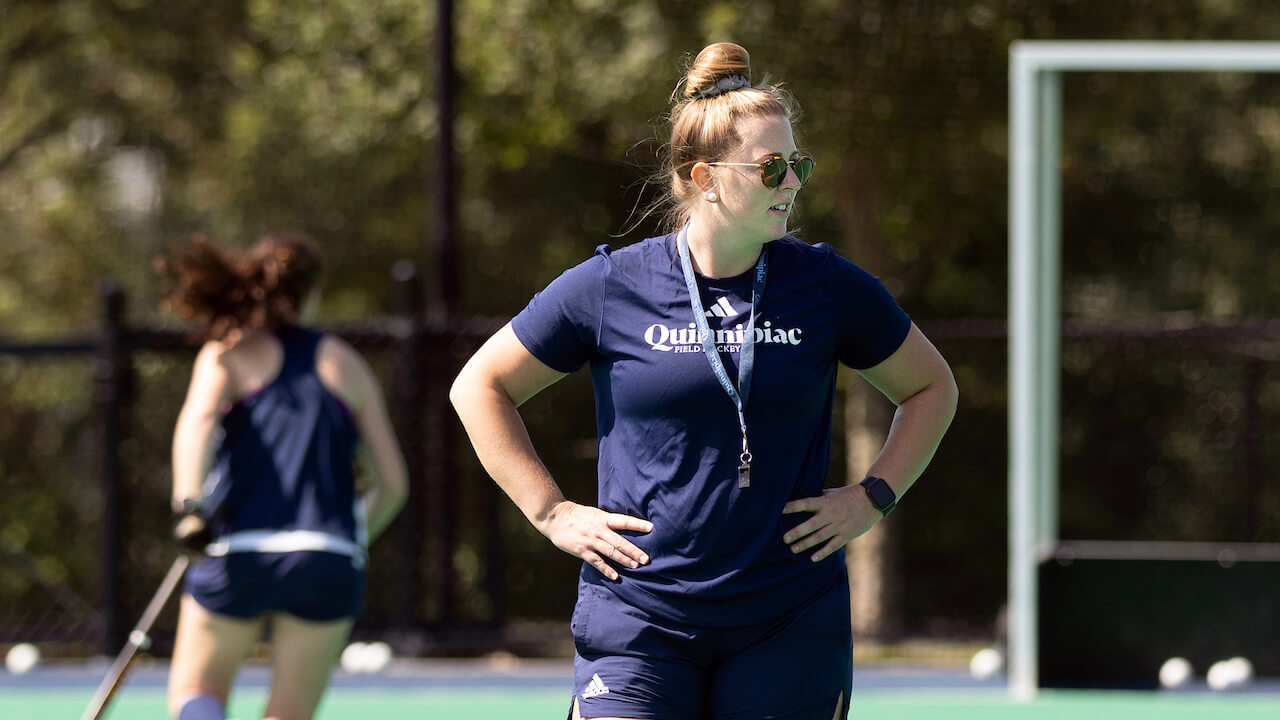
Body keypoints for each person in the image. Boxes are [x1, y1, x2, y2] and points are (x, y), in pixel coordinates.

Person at [450, 42, 957, 720]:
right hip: (638, 617)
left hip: (788, 617)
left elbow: (931, 388)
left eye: (798, 164)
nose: (794, 183)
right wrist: (550, 512)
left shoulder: (827, 285)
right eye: (772, 167)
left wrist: (873, 495)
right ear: (704, 176)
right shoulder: (612, 284)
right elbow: (478, 386)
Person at [157, 232, 408, 720]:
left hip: (238, 552)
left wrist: (189, 509)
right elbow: (393, 484)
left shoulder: (225, 354)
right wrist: (348, 538)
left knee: (197, 694)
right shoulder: (346, 363)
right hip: (327, 559)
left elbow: (196, 425)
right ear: (311, 294)